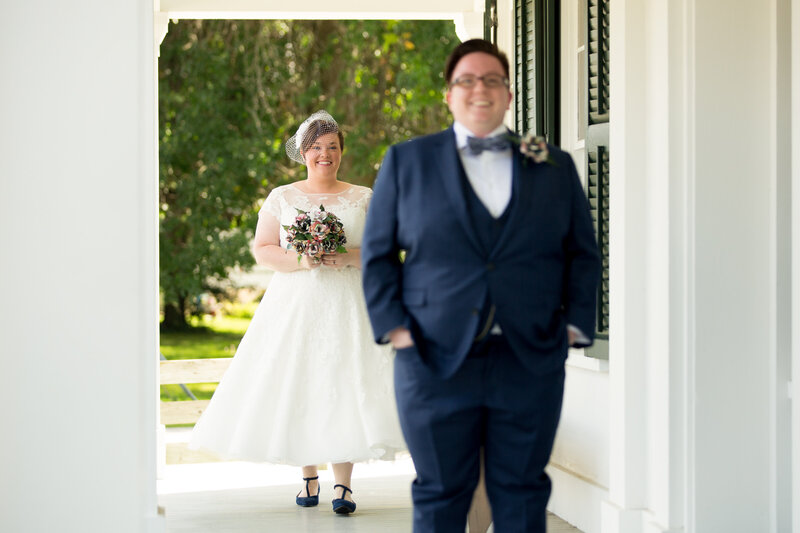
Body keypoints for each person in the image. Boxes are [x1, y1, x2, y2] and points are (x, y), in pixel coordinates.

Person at [361, 39, 601, 532]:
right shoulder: (408, 161)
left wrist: (574, 327)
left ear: (509, 94)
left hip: (529, 358)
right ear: (448, 94)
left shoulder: (552, 165)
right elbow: (378, 254)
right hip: (432, 360)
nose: (480, 89)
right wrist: (397, 331)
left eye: (492, 79)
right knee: (440, 495)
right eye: (466, 80)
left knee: (523, 493)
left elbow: (582, 253)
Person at [190, 110, 406, 515]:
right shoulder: (283, 197)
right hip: (296, 303)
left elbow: (384, 253)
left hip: (348, 303)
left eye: (332, 147)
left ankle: (343, 485)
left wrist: (342, 256)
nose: (325, 154)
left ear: (342, 151)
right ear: (303, 153)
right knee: (300, 379)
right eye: (317, 148)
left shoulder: (364, 197)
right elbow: (264, 248)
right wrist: (302, 260)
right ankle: (308, 474)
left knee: (345, 380)